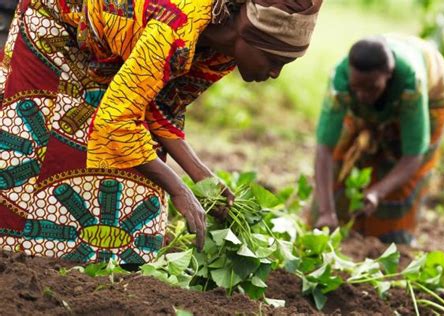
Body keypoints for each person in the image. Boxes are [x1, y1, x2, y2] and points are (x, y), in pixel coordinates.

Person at [0, 0, 322, 264]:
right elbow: (117, 121)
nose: (276, 73)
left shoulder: (223, 53)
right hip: (59, 23)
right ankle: (17, 257)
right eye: (275, 59)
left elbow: (160, 106)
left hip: (119, 50)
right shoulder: (176, 28)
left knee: (135, 189)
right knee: (37, 142)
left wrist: (202, 177)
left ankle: (101, 264)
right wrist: (178, 188)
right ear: (249, 36)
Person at [309, 35, 444, 244]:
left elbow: (413, 155)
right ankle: (335, 223)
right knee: (344, 153)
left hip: (431, 94)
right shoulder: (340, 80)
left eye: (371, 88)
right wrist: (325, 211)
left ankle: (389, 241)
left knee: (395, 163)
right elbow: (324, 149)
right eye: (356, 87)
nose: (362, 96)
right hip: (388, 85)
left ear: (389, 75)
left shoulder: (411, 83)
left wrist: (378, 192)